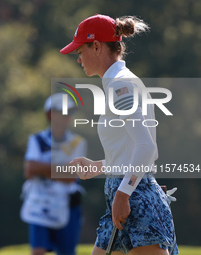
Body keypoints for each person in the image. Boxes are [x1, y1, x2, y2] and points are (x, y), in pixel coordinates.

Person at [60, 14, 179, 255]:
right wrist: (100, 165)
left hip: (133, 198)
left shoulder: (120, 85)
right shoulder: (117, 83)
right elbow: (133, 149)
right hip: (126, 195)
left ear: (96, 46)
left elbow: (146, 147)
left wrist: (123, 194)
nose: (79, 59)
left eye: (80, 51)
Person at [20, 93, 87, 255]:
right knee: (38, 251)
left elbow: (71, 175)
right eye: (64, 112)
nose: (68, 116)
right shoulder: (36, 139)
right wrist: (59, 169)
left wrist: (42, 169)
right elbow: (29, 170)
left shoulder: (77, 142)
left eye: (70, 112)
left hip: (67, 204)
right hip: (39, 202)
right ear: (50, 114)